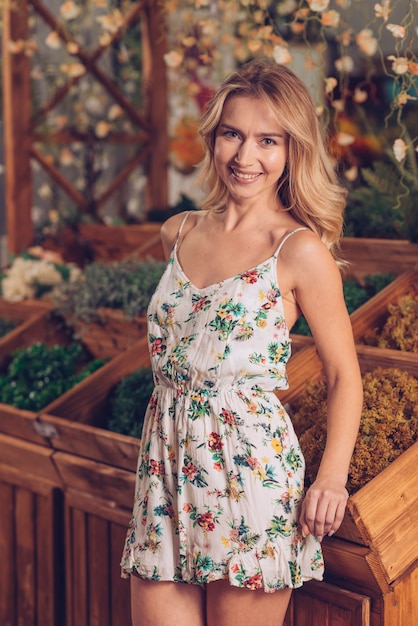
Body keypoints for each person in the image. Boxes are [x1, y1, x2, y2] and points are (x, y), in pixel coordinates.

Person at [121, 58, 363, 626]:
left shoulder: (299, 252)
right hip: (164, 468)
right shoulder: (178, 232)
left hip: (249, 477)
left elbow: (343, 375)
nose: (245, 156)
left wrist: (331, 477)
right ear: (214, 137)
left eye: (267, 140)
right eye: (232, 134)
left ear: (291, 150)